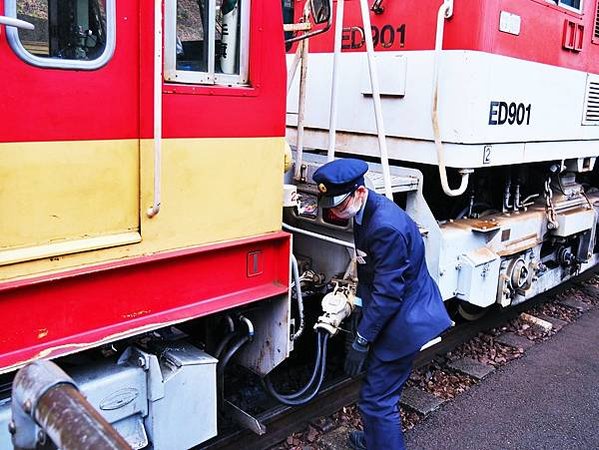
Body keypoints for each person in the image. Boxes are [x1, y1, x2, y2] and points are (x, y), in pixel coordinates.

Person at [312, 158, 452, 450]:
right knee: (376, 392)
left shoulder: (385, 227)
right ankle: (376, 440)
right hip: (396, 313)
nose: (334, 213)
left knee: (377, 400)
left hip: (405, 320)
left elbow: (389, 294)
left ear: (360, 192)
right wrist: (360, 311)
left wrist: (363, 339)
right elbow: (369, 274)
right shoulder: (364, 213)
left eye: (338, 206)